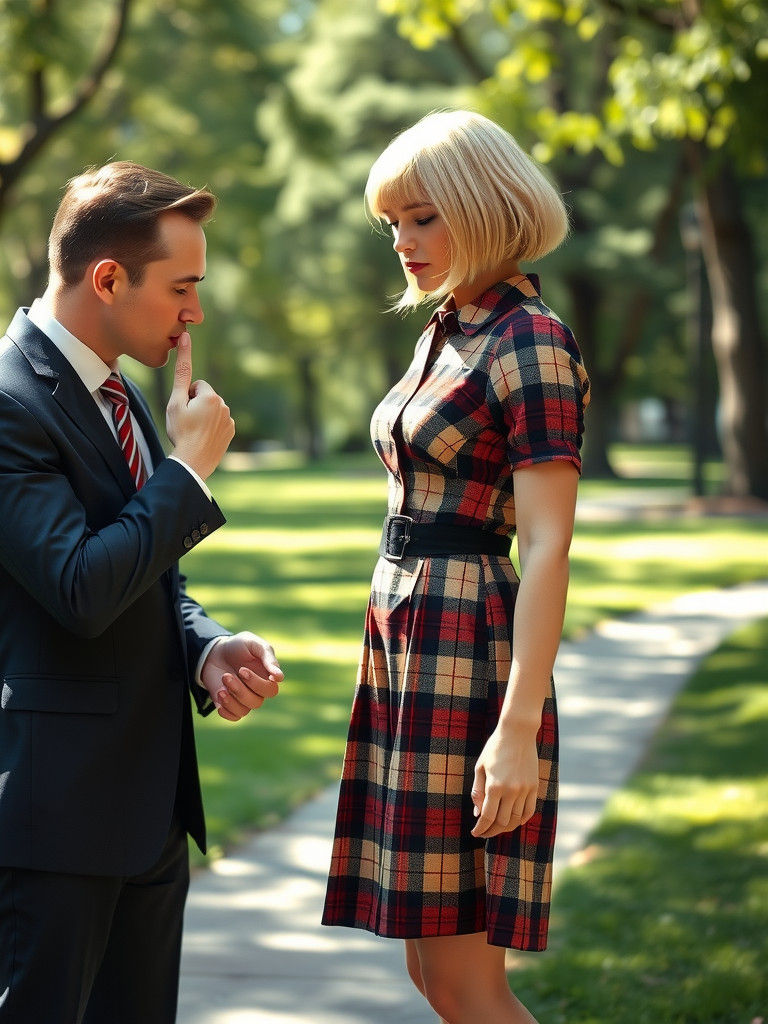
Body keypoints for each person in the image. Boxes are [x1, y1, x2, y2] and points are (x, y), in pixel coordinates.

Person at [0, 161, 283, 1024]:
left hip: (149, 806)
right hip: (53, 810)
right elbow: (82, 587)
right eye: (182, 287)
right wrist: (187, 472)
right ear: (109, 279)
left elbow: (145, 577)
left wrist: (204, 647)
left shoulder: (118, 391)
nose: (195, 312)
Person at [322, 110, 590, 1023]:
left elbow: (548, 544)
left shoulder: (530, 340)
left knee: (467, 983)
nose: (403, 241)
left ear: (483, 206)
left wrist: (517, 728)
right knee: (431, 975)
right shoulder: (447, 328)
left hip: (466, 652)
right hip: (407, 647)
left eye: (423, 217)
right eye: (392, 223)